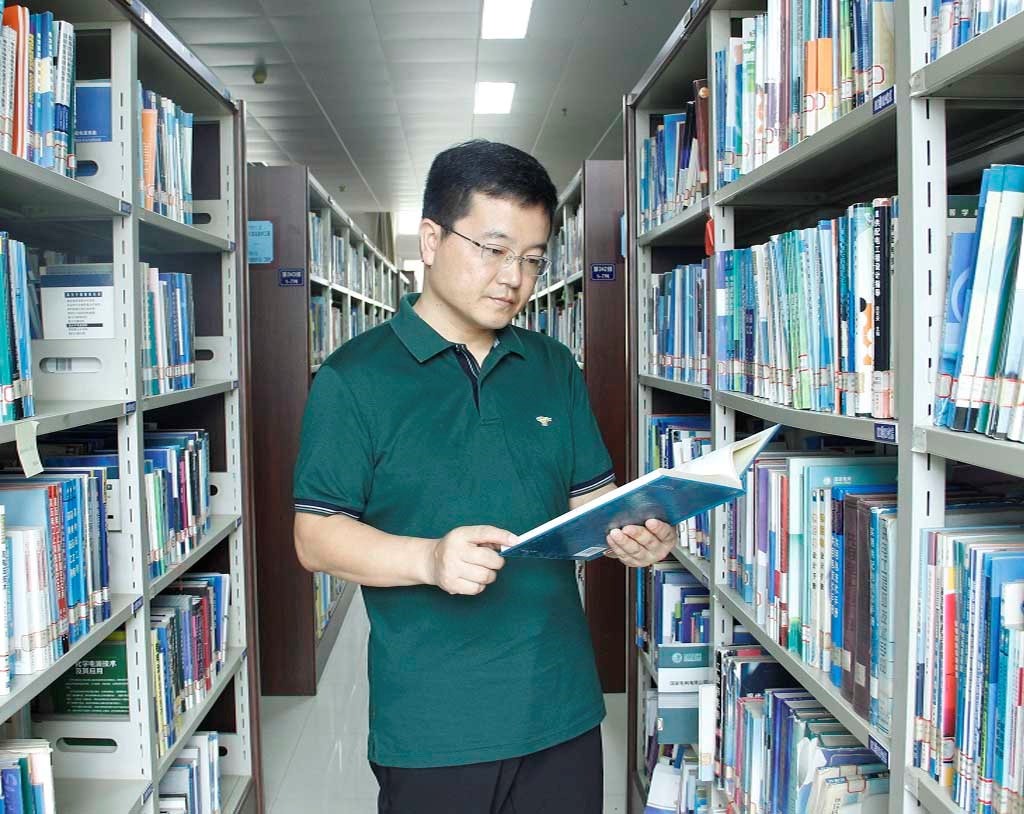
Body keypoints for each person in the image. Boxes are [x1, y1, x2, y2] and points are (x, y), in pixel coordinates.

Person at [292, 139, 677, 814]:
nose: (513, 278)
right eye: (493, 250)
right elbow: (315, 536)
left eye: (532, 259)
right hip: (434, 724)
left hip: (561, 705)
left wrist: (635, 532)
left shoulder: (552, 366)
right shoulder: (353, 378)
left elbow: (590, 500)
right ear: (431, 240)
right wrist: (429, 558)